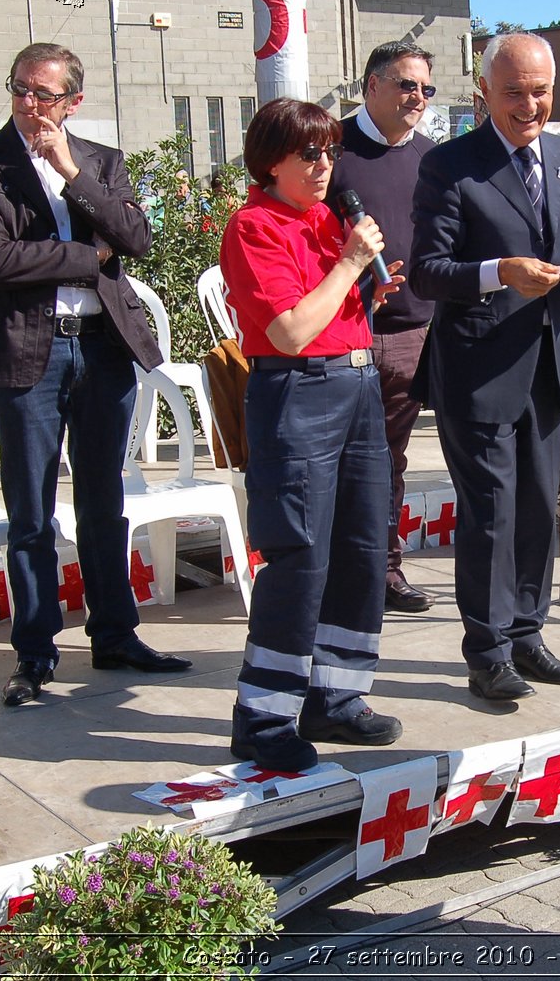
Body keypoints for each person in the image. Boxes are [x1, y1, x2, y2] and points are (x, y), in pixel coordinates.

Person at [0, 42, 191, 707]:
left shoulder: (100, 162)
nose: (31, 105)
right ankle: (34, 653)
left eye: (45, 95)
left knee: (101, 503)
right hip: (27, 352)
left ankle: (114, 635)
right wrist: (89, 257)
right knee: (30, 510)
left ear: (72, 102)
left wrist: (69, 173)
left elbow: (137, 240)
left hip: (102, 350)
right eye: (21, 89)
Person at [409, 32, 560, 702]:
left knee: (539, 508)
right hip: (477, 369)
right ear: (484, 93)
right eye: (514, 93)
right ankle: (487, 650)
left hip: (548, 365)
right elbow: (426, 272)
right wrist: (497, 273)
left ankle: (528, 634)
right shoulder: (449, 166)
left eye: (541, 91)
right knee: (491, 514)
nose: (530, 105)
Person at [221, 98, 404, 772]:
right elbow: (290, 332)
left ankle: (337, 695)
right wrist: (352, 268)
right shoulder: (254, 226)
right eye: (309, 154)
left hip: (356, 384)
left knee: (361, 545)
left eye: (330, 151)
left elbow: (327, 307)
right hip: (299, 393)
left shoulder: (329, 218)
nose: (325, 165)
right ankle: (265, 718)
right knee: (299, 555)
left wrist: (366, 289)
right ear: (273, 159)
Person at [328, 41, 438, 614]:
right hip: (351, 334)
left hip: (420, 333)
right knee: (348, 460)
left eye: (425, 88)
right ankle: (340, 573)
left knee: (389, 461)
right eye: (405, 85)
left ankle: (383, 571)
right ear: (371, 86)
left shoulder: (430, 156)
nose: (417, 98)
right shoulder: (331, 153)